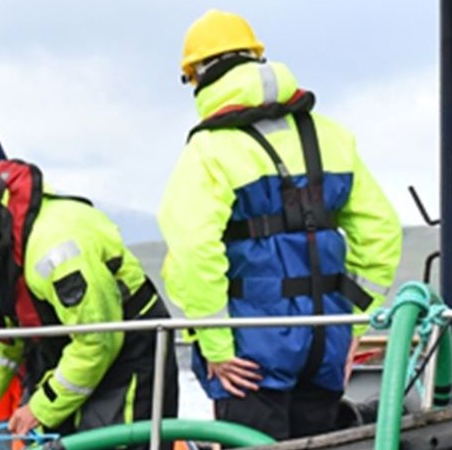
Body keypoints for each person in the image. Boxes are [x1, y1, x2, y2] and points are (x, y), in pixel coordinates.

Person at [158, 10, 403, 440]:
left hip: (250, 361)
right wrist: (353, 326)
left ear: (196, 75)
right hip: (326, 346)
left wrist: (216, 347)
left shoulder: (209, 151)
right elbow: (381, 232)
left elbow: (194, 252)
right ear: (256, 57)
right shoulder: (332, 136)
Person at [0, 162, 179, 441]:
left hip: (127, 350)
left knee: (115, 442)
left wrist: (41, 407)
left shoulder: (54, 248)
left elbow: (98, 341)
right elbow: (4, 339)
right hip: (58, 353)